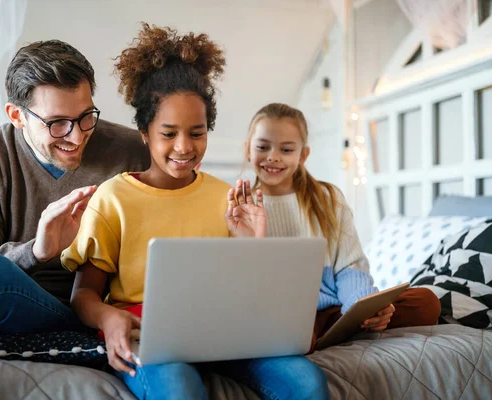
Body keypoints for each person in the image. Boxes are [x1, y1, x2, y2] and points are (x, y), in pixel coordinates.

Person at [61, 24, 329, 400]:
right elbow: (83, 295)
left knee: (308, 383)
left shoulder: (229, 198)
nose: (184, 147)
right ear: (144, 131)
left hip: (224, 332)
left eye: (197, 132)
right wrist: (109, 318)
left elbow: (248, 296)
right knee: (179, 390)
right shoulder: (114, 199)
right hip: (147, 334)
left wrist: (252, 244)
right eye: (168, 133)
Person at [0, 39, 150, 348]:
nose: (76, 136)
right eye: (56, 123)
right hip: (18, 306)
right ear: (16, 116)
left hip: (90, 314)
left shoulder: (133, 152)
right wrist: (36, 251)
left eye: (86, 116)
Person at [243, 103, 441, 345]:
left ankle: (355, 326)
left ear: (303, 155)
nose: (273, 156)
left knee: (425, 301)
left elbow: (350, 266)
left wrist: (362, 306)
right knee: (293, 334)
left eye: (286, 149)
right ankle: (323, 337)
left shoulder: (328, 198)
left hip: (336, 310)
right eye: (263, 147)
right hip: (283, 314)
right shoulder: (240, 206)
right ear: (248, 150)